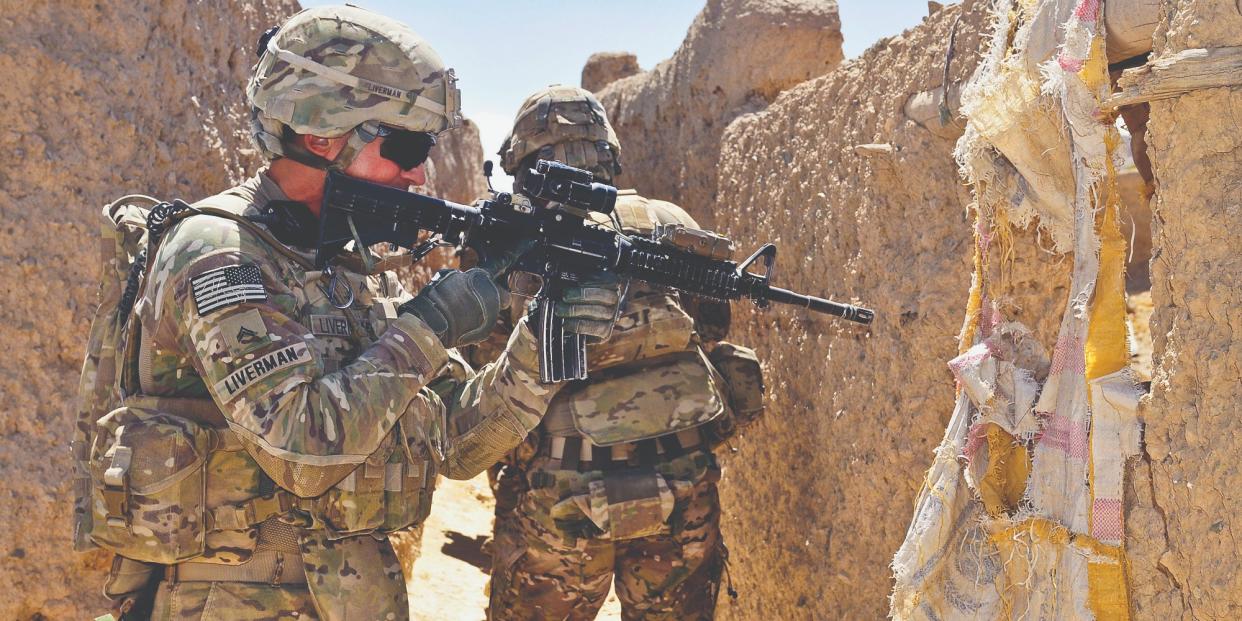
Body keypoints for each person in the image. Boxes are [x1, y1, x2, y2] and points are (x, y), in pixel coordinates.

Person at [90, 8, 620, 620]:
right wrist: (430, 326)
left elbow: (456, 442)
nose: (419, 172)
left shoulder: (343, 268)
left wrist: (545, 340)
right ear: (322, 136)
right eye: (405, 147)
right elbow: (300, 452)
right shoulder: (219, 254)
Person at [479, 86, 766, 621]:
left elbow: (488, 367)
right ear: (608, 151)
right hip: (681, 483)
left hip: (557, 495)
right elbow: (710, 327)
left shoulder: (510, 241)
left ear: (526, 158)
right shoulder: (668, 220)